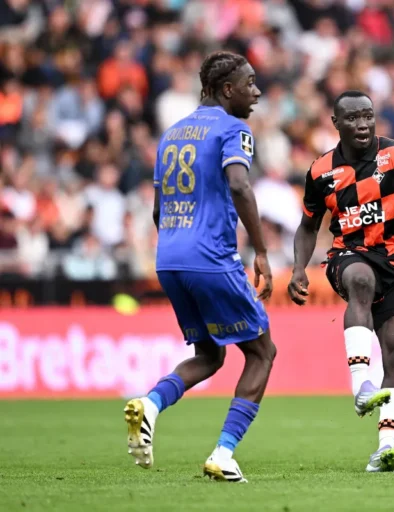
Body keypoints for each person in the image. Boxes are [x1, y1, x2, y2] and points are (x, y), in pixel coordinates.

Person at [123, 51, 276, 483]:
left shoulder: (171, 135)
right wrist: (261, 251)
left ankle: (150, 404)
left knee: (210, 355)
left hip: (169, 258)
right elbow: (239, 184)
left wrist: (179, 246)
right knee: (262, 352)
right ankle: (224, 453)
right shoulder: (233, 129)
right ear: (227, 89)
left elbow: (158, 209)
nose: (256, 92)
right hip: (210, 257)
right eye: (249, 83)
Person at [288, 91, 394, 472]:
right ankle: (361, 384)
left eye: (368, 116)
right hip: (349, 255)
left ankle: (385, 449)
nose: (362, 124)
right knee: (360, 281)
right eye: (352, 118)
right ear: (336, 123)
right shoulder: (320, 171)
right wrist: (299, 268)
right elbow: (308, 226)